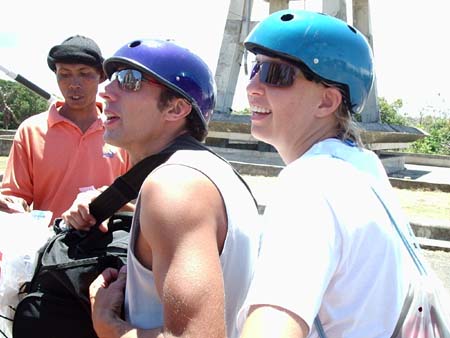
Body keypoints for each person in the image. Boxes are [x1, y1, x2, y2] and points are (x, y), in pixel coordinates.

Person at [63, 38, 261, 338]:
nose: (105, 91)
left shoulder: (174, 186)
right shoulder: (215, 173)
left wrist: (110, 328)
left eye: (129, 81)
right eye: (113, 78)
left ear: (176, 108)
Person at [237, 9, 415, 338]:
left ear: (327, 102)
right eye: (254, 68)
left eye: (276, 73)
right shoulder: (363, 167)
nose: (252, 86)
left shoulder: (309, 187)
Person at [0, 35, 130, 223]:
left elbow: (135, 199)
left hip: (109, 245)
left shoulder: (122, 130)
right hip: (49, 246)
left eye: (84, 74)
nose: (74, 84)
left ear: (101, 77)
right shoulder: (31, 131)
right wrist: (10, 204)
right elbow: (16, 196)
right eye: (65, 74)